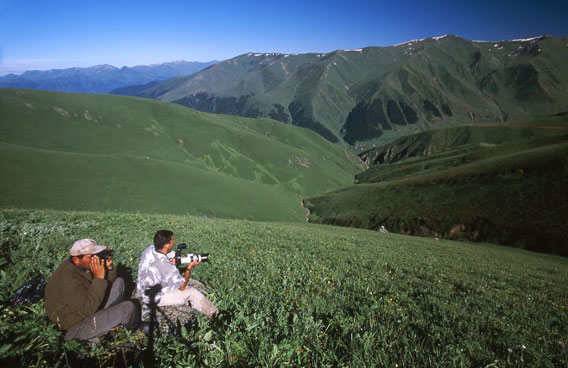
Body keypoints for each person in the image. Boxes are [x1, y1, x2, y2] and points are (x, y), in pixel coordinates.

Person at [45, 239, 140, 340]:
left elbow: (108, 282)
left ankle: (112, 317)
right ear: (76, 259)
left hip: (87, 304)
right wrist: (99, 277)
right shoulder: (68, 279)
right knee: (128, 308)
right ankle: (135, 329)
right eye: (91, 256)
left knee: (119, 283)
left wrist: (109, 268)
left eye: (96, 254)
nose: (95, 258)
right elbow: (88, 309)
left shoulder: (81, 265)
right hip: (74, 326)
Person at [136, 230, 218, 317]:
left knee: (172, 254)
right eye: (172, 240)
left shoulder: (149, 249)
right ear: (166, 245)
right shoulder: (166, 265)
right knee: (192, 292)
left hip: (144, 287)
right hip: (155, 297)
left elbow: (160, 261)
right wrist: (189, 268)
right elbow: (182, 287)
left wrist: (172, 261)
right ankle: (214, 314)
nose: (174, 241)